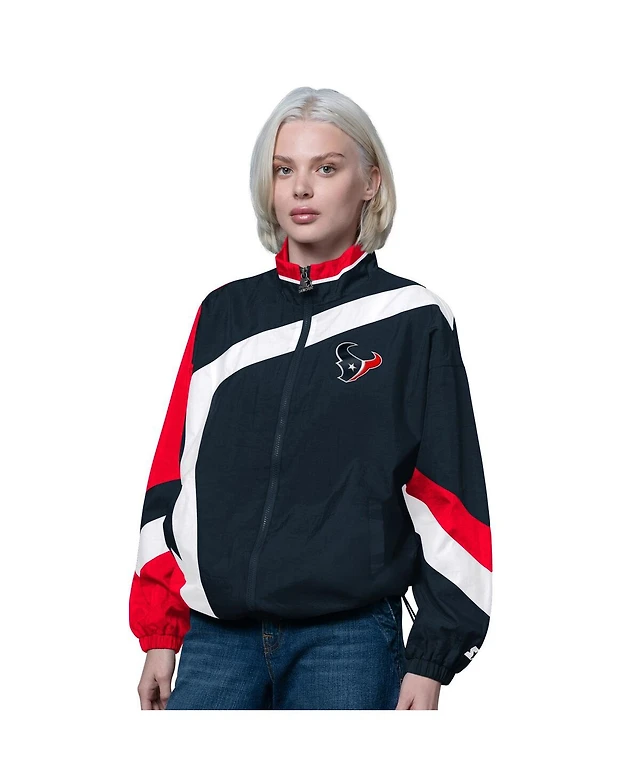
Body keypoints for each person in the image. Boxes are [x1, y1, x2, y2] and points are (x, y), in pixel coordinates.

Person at [129, 86, 493, 710]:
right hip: (217, 640)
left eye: (326, 168)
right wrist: (161, 631)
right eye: (283, 169)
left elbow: (448, 494)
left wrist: (432, 659)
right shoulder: (224, 314)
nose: (301, 188)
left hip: (347, 641)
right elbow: (174, 476)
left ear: (370, 182)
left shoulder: (411, 319)